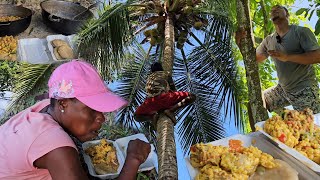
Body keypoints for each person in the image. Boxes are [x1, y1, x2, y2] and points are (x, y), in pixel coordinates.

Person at [0, 60, 151, 180]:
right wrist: (134, 159)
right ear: (63, 103)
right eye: (92, 109)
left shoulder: (46, 107)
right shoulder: (55, 145)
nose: (102, 118)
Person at [236, 5, 320, 114]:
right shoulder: (269, 40)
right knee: (255, 103)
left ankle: (292, 120)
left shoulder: (301, 32)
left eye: (278, 9)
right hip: (283, 90)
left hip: (305, 89)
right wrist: (239, 43)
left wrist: (287, 57)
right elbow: (253, 60)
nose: (274, 11)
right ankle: (273, 126)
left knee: (312, 127)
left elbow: (317, 56)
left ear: (287, 14)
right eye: (272, 11)